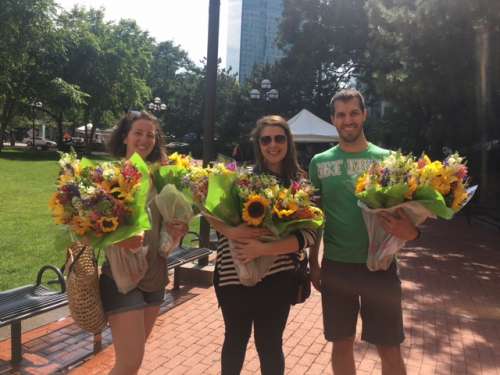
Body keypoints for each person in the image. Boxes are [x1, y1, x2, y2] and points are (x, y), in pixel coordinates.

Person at [308, 89, 419, 375]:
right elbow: (315, 219)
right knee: (341, 344)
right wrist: (313, 263)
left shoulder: (389, 160)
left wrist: (412, 232)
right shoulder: (319, 163)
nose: (348, 120)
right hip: (337, 267)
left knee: (389, 347)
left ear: (364, 114)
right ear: (333, 119)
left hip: (380, 267)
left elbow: (409, 215)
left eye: (354, 113)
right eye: (341, 115)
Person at [205, 115, 317, 375]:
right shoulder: (240, 181)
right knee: (234, 342)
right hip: (233, 277)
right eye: (266, 139)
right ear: (258, 144)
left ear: (288, 142)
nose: (273, 144)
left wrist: (263, 249)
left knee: (269, 346)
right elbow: (210, 215)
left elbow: (308, 236)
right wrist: (233, 230)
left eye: (279, 138)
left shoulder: (299, 186)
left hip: (277, 280)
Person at [102, 111, 188, 375]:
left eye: (150, 134)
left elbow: (169, 225)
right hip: (122, 277)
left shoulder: (161, 177)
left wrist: (177, 230)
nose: (144, 139)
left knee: (132, 363)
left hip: (155, 275)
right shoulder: (110, 175)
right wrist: (120, 238)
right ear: (125, 136)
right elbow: (88, 226)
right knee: (129, 363)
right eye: (138, 133)